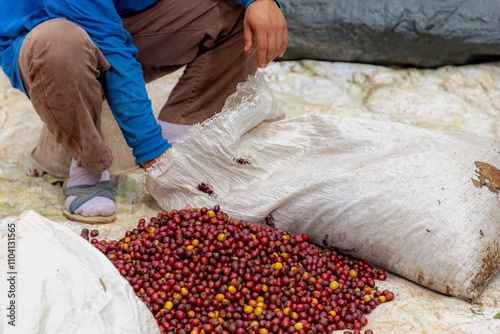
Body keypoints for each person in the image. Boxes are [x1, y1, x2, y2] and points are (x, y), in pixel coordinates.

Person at [0, 0, 288, 224]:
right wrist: (152, 154)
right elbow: (110, 45)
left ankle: (180, 136)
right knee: (61, 45)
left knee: (243, 12)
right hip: (45, 39)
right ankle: (89, 163)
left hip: (122, 17)